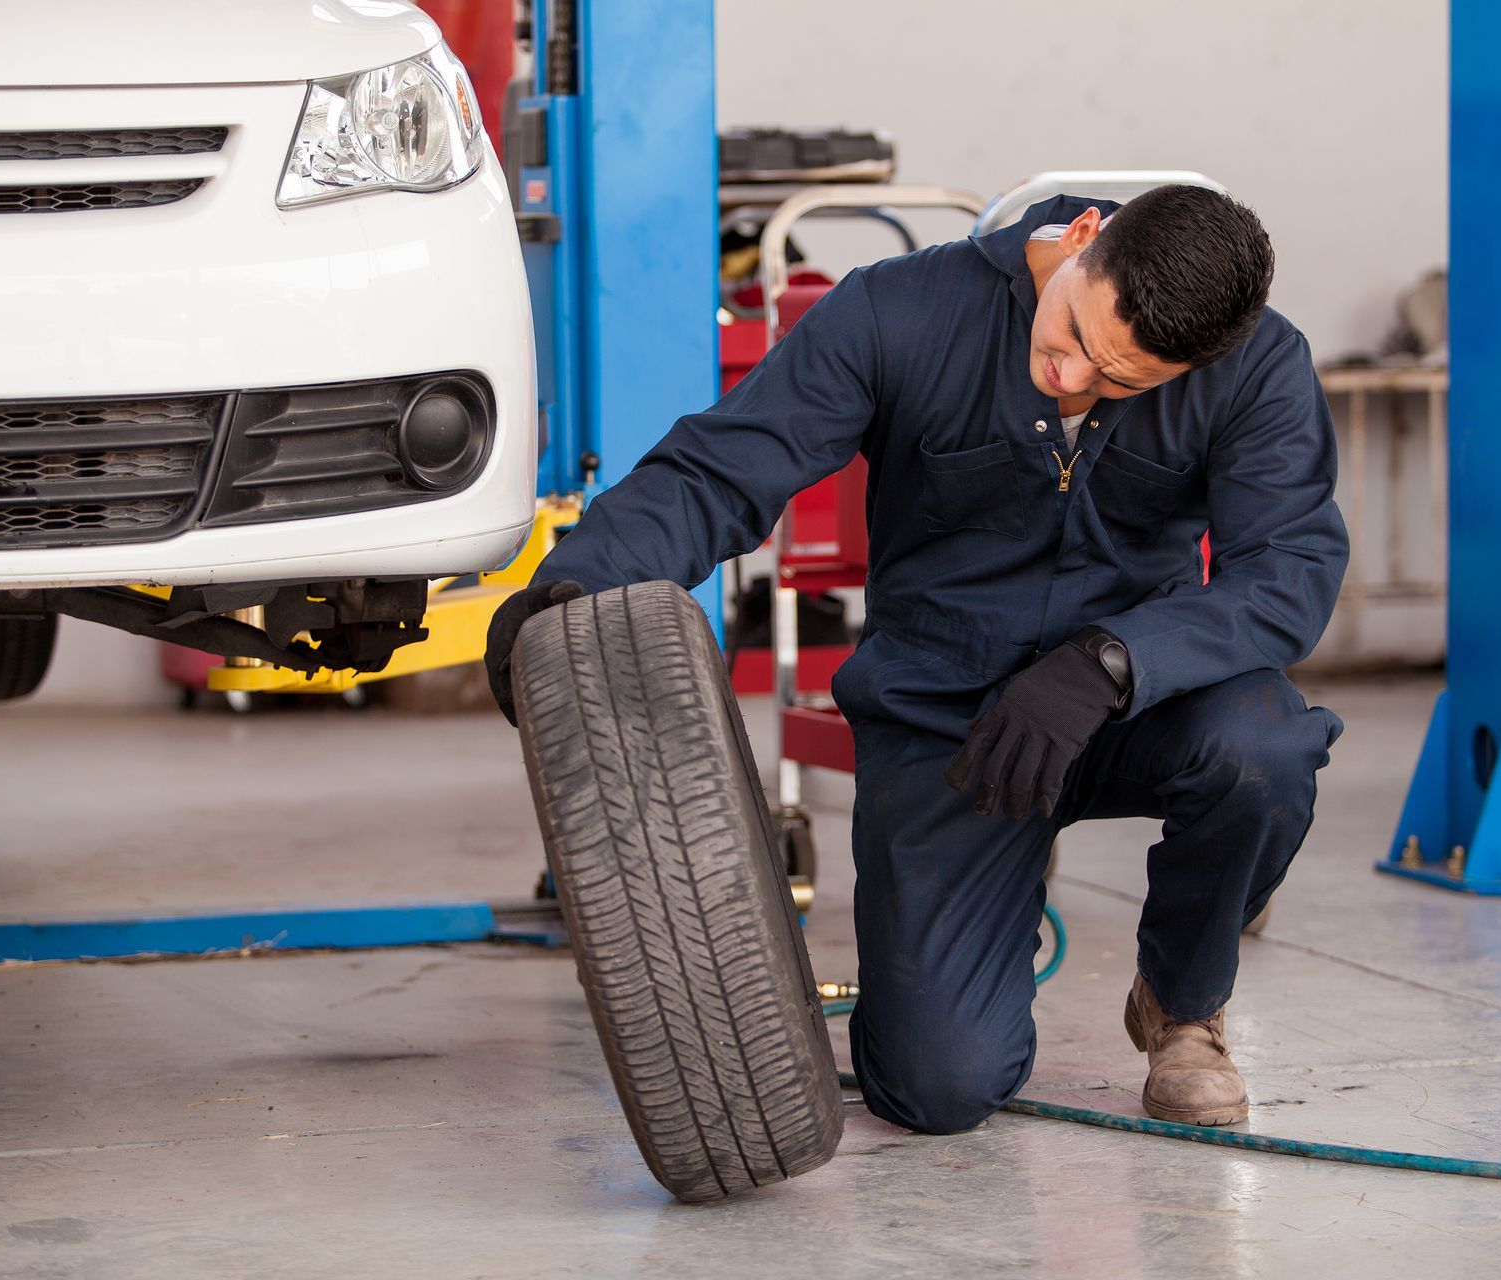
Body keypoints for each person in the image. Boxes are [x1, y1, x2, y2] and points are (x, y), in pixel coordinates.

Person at [485, 186, 1347, 1135]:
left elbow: (1288, 574)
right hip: (951, 717)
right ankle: (991, 892)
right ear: (1085, 240)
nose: (1070, 381)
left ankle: (1182, 1002)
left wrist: (1114, 661)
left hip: (1126, 703)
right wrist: (575, 588)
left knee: (1264, 746)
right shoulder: (898, 310)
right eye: (1071, 339)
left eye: (1119, 382)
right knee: (938, 1088)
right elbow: (725, 470)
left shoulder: (1260, 364)